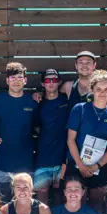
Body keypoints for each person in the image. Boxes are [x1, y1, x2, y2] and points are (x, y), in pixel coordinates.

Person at [66, 71, 107, 214]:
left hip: (99, 166)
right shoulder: (80, 109)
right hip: (77, 164)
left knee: (97, 207)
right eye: (98, 89)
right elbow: (70, 140)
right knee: (76, 205)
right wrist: (81, 166)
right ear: (92, 90)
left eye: (106, 89)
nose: (102, 93)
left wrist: (96, 166)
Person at [0, 63, 39, 202]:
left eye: (19, 77)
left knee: (24, 205)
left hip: (25, 164)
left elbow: (38, 128)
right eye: (12, 78)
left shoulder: (32, 102)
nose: (16, 81)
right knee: (2, 205)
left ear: (25, 80)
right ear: (7, 80)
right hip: (2, 164)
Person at [33, 69, 69, 205]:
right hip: (43, 159)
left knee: (61, 199)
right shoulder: (38, 102)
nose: (51, 83)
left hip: (63, 160)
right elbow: (34, 127)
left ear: (59, 82)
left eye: (55, 79)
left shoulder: (67, 99)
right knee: (41, 202)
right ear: (43, 83)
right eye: (48, 80)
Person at [32, 51, 97, 110]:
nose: (84, 65)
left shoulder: (101, 87)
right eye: (81, 62)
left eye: (88, 62)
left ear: (94, 65)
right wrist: (40, 94)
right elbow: (53, 92)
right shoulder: (68, 87)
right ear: (76, 66)